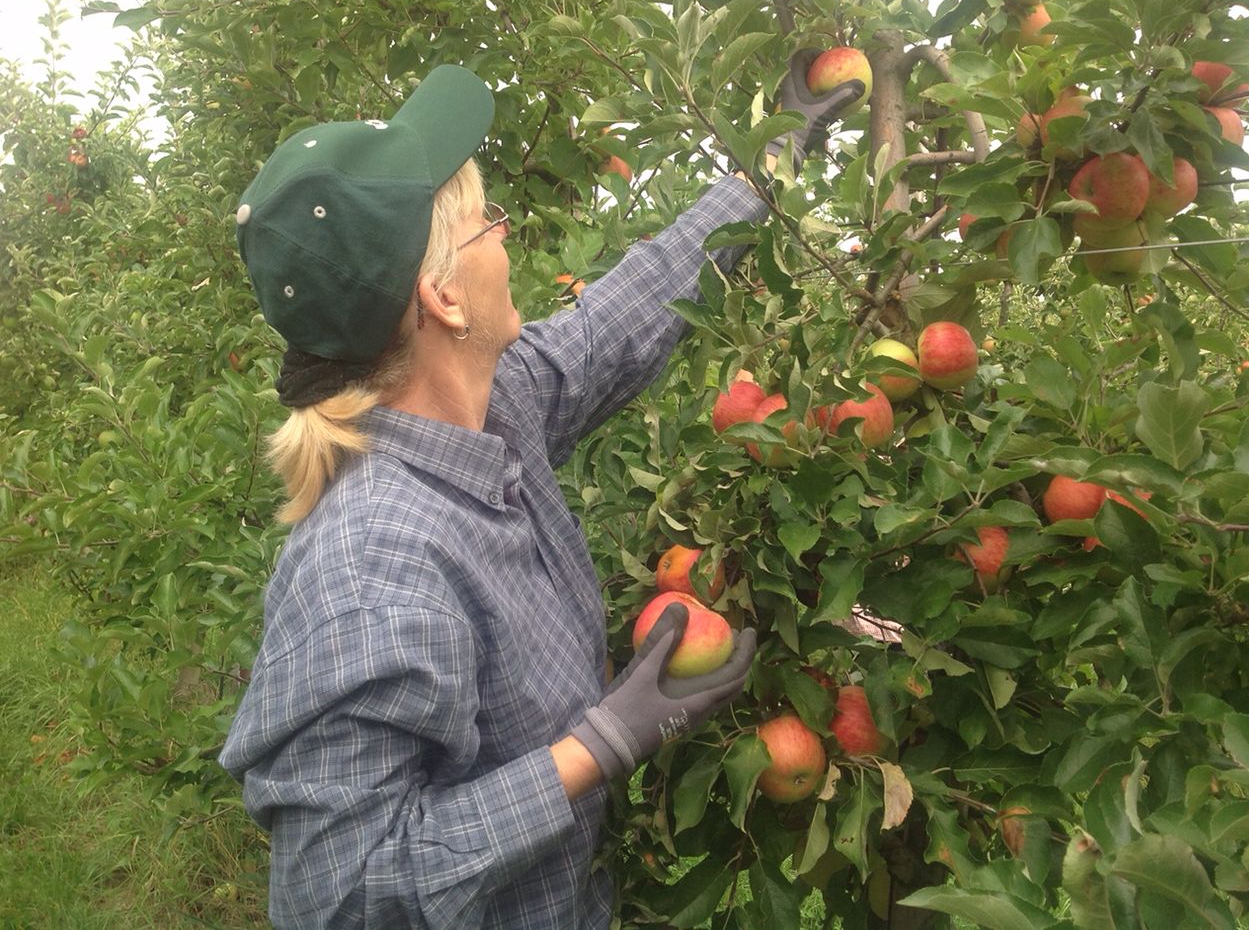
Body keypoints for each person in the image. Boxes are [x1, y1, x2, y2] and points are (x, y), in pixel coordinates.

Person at [219, 55, 864, 929]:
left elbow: (624, 317)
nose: (506, 233)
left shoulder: (495, 410)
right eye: (488, 221)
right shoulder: (373, 568)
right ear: (443, 296)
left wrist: (765, 165)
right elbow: (339, 898)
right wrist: (595, 750)